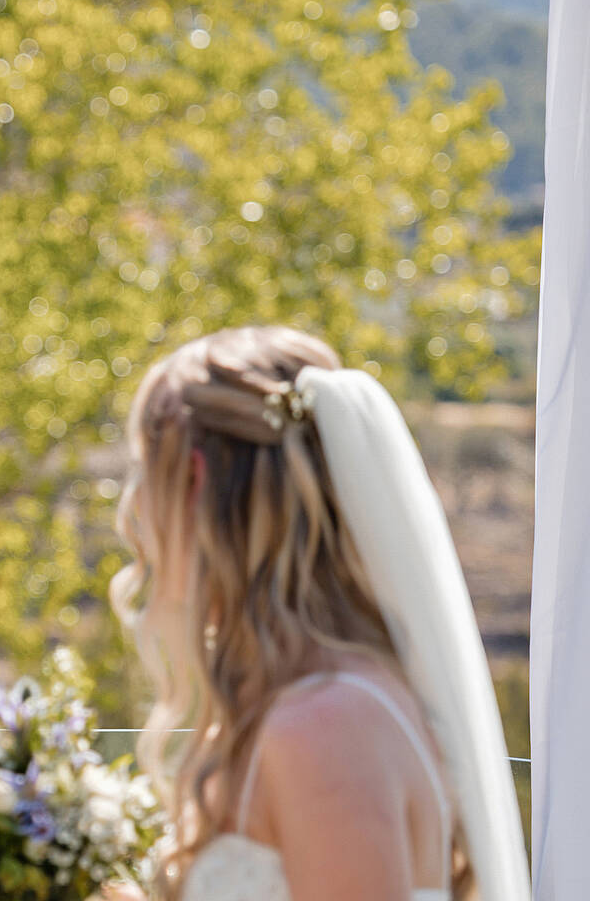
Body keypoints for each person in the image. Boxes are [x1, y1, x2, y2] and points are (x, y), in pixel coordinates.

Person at [101, 326, 527, 901]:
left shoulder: (326, 724)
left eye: (142, 469)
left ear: (194, 481)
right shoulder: (319, 699)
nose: (132, 507)